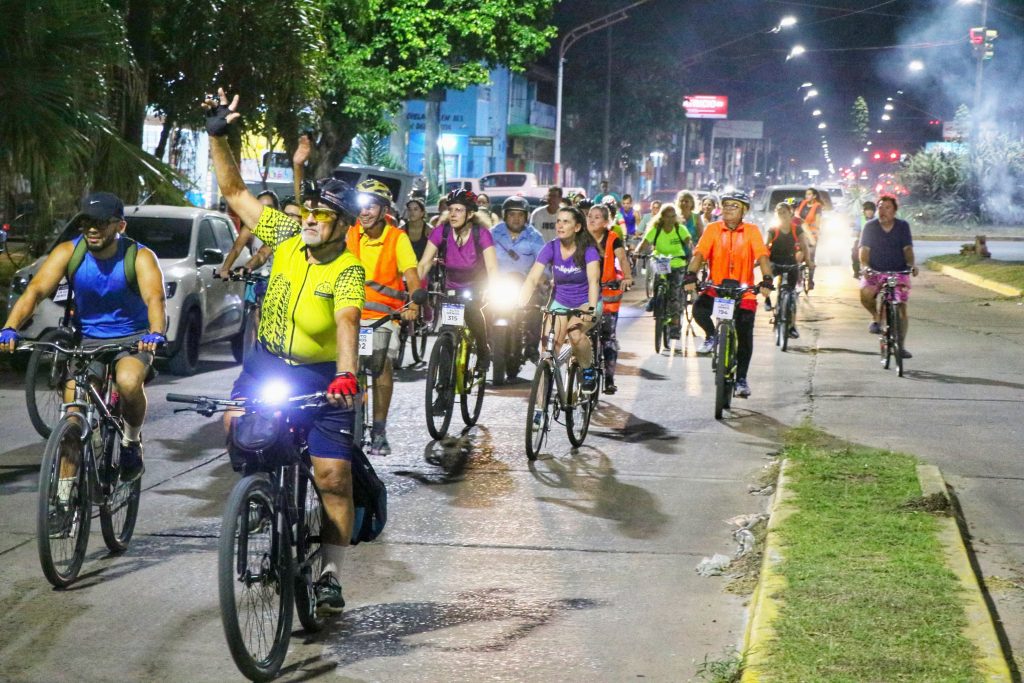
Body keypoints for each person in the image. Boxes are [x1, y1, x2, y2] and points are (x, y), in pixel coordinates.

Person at [204, 88, 365, 613]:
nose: (312, 219)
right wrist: (217, 135)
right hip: (268, 364)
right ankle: (258, 494)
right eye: (310, 210)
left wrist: (345, 374)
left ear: (344, 225)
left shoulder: (348, 269)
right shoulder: (287, 234)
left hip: (325, 379)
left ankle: (329, 575)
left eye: (323, 214)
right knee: (233, 421)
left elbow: (347, 321)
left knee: (332, 478)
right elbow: (233, 193)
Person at [1, 191, 167, 483]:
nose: (92, 229)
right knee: (73, 419)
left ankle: (131, 442)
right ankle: (64, 496)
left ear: (120, 226)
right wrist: (10, 326)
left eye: (101, 222)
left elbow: (155, 299)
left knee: (128, 383)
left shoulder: (139, 256)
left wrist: (155, 334)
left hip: (132, 338)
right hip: (87, 340)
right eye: (86, 222)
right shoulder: (69, 252)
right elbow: (36, 291)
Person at [346, 179, 421, 456]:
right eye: (361, 206)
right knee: (341, 368)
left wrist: (413, 301)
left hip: (383, 318)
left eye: (371, 206)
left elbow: (411, 275)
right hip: (349, 315)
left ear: (383, 210)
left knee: (382, 366)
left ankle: (379, 430)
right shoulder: (350, 233)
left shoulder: (397, 238)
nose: (364, 212)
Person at [684, 190, 773, 398]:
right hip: (717, 288)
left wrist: (767, 279)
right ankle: (712, 336)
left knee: (744, 334)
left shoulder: (751, 231)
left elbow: (762, 256)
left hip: (743, 292)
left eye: (734, 206)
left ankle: (741, 378)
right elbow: (700, 254)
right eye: (725, 205)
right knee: (699, 310)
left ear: (744, 211)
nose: (728, 210)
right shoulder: (713, 229)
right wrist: (690, 275)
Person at [519, 207, 601, 392]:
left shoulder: (588, 250)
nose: (560, 225)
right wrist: (520, 301)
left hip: (585, 301)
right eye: (558, 221)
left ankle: (588, 370)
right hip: (560, 302)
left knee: (575, 335)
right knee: (548, 352)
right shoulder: (551, 247)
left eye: (566, 221)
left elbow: (593, 281)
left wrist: (591, 308)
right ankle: (539, 413)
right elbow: (532, 278)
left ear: (578, 227)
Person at [418, 189, 499, 375]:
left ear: (470, 214)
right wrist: (415, 285)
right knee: (447, 330)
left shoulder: (482, 234)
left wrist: (491, 289)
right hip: (451, 286)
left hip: (476, 287)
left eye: (459, 210)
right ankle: (443, 386)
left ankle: (483, 350)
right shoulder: (441, 232)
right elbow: (424, 264)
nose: (453, 214)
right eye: (451, 209)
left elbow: (493, 268)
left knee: (472, 313)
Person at [858, 195, 917, 357]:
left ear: (895, 211)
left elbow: (908, 250)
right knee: (865, 294)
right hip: (875, 271)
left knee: (901, 309)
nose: (883, 211)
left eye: (887, 208)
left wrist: (911, 266)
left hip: (898, 271)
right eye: (880, 208)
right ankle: (876, 317)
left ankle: (901, 346)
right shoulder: (870, 227)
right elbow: (864, 251)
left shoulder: (903, 226)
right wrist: (865, 267)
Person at [491, 196, 546, 363]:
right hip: (497, 285)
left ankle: (531, 347)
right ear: (505, 215)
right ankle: (485, 345)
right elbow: (481, 258)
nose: (516, 218)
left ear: (526, 217)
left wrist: (543, 279)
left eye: (520, 215)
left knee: (536, 311)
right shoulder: (493, 233)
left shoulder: (534, 236)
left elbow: (543, 262)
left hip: (525, 285)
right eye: (512, 214)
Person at [586, 203, 633, 393]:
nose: (592, 219)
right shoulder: (581, 238)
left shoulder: (613, 239)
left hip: (608, 293)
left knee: (608, 337)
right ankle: (584, 371)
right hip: (584, 293)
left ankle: (609, 378)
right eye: (590, 215)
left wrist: (627, 277)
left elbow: (622, 259)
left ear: (606, 222)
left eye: (597, 217)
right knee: (581, 335)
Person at [638, 204, 692, 354]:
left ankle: (675, 324)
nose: (669, 219)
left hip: (677, 263)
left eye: (672, 216)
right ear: (661, 217)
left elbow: (688, 242)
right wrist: (637, 252)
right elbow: (645, 243)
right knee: (658, 284)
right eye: (666, 216)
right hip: (661, 261)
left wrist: (690, 252)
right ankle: (656, 301)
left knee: (675, 292)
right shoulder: (656, 229)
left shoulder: (680, 229)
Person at [765, 201, 813, 339]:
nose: (782, 215)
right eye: (779, 213)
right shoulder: (773, 230)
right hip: (775, 262)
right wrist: (761, 260)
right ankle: (767, 300)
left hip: (791, 263)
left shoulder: (796, 229)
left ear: (790, 213)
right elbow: (765, 246)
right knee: (767, 280)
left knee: (791, 295)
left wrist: (808, 261)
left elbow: (804, 246)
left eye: (784, 212)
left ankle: (791, 326)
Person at [218, 188, 278, 279]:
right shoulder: (251, 225)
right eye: (260, 207)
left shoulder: (280, 228)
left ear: (276, 210)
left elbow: (262, 255)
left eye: (269, 207)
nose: (264, 211)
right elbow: (236, 249)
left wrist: (246, 267)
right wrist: (225, 269)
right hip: (256, 277)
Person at [795, 187, 824, 264]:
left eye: (809, 194)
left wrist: (808, 225)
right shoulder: (802, 203)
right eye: (806, 194)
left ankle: (810, 270)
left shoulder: (817, 206)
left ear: (814, 196)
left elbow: (818, 222)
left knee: (810, 255)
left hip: (811, 234)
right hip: (800, 232)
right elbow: (795, 215)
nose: (807, 196)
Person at [852, 200, 876, 278]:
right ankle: (856, 271)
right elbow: (856, 231)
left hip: (874, 242)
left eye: (871, 210)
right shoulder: (860, 219)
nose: (869, 212)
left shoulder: (877, 220)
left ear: (874, 211)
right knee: (854, 253)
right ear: (864, 211)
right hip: (861, 241)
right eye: (867, 210)